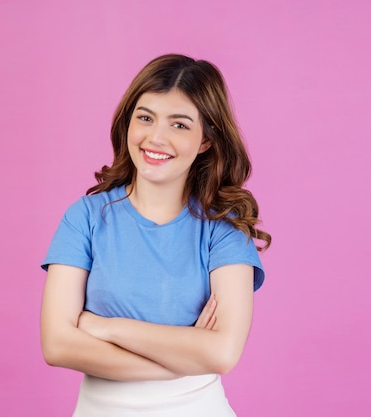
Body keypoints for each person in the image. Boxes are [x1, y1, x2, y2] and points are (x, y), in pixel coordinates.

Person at [40, 53, 271, 416]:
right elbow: (57, 345)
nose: (156, 138)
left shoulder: (223, 230)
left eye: (179, 125)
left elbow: (223, 354)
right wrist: (185, 355)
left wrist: (102, 326)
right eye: (145, 118)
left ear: (207, 140)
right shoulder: (85, 217)